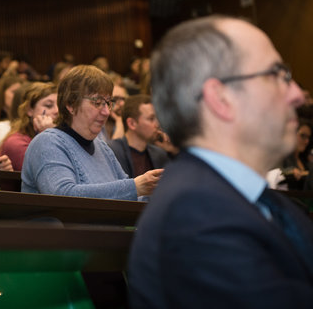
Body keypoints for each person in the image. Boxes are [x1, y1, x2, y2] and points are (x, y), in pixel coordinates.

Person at [128, 16, 313, 308]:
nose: (298, 95)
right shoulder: (196, 215)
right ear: (221, 98)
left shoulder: (254, 201)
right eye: (277, 75)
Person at [21, 65, 161, 200]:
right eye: (97, 102)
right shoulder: (46, 143)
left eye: (108, 103)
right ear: (71, 104)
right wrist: (135, 187)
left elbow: (130, 197)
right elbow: (62, 196)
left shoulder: (103, 147)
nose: (106, 112)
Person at [108, 94, 169, 178]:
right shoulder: (111, 152)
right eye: (151, 119)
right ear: (132, 123)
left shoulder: (159, 154)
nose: (157, 124)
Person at [0, 82, 57, 171]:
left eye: (60, 106)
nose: (57, 111)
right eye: (49, 106)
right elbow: (49, 173)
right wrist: (49, 135)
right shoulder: (15, 143)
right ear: (29, 109)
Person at [280, 119, 312, 190]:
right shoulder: (282, 156)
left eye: (308, 137)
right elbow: (273, 174)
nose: (307, 141)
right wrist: (290, 171)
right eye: (303, 136)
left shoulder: (305, 160)